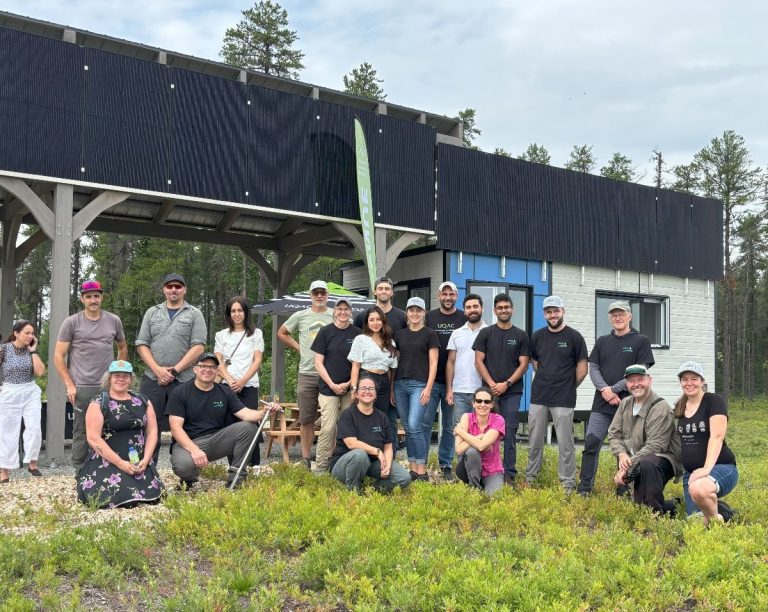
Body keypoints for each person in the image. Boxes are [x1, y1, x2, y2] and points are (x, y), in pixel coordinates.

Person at [578, 301, 654, 495]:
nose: (617, 318)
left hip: (629, 405)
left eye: (621, 314)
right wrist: (605, 389)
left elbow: (641, 371)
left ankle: (623, 489)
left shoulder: (641, 341)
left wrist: (614, 389)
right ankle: (584, 488)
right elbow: (593, 368)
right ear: (610, 318)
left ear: (629, 316)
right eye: (614, 315)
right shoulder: (602, 341)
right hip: (601, 405)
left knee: (625, 448)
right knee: (591, 445)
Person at [167, 353, 275, 489]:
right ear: (195, 369)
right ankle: (189, 479)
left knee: (249, 428)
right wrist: (194, 450)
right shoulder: (180, 392)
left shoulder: (225, 392)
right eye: (203, 366)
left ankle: (236, 478)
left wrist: (265, 412)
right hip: (188, 443)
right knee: (183, 467)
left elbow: (246, 414)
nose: (207, 370)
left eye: (212, 367)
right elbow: (176, 428)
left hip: (216, 440)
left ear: (218, 371)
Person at [54, 279, 128, 467]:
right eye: (89, 297)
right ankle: (80, 471)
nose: (93, 300)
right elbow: (58, 356)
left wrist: (117, 376)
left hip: (107, 386)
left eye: (96, 296)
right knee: (81, 431)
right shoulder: (72, 322)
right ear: (82, 299)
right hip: (82, 387)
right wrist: (70, 384)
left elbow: (122, 347)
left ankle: (109, 466)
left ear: (102, 297)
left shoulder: (113, 320)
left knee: (111, 427)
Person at [76, 360, 164, 508]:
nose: (121, 379)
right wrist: (120, 463)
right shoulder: (98, 403)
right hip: (108, 460)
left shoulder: (143, 401)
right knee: (115, 497)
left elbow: (152, 431)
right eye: (117, 375)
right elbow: (93, 438)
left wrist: (147, 459)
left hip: (139, 460)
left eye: (125, 376)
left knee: (152, 496)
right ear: (109, 378)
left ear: (131, 379)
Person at [525, 296, 588, 493]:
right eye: (549, 312)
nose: (553, 315)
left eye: (556, 311)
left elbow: (583, 368)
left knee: (565, 444)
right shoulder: (537, 336)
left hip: (563, 398)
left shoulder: (574, 337)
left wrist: (568, 385)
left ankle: (567, 483)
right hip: (539, 396)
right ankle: (531, 477)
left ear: (563, 311)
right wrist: (545, 377)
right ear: (544, 314)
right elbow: (535, 362)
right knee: (534, 440)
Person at [136, 273, 206, 432]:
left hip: (183, 380)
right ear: (164, 290)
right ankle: (148, 458)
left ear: (184, 289)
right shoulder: (151, 312)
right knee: (149, 426)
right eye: (169, 286)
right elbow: (142, 344)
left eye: (178, 286)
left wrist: (173, 371)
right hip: (153, 378)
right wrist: (158, 370)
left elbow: (198, 347)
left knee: (185, 427)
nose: (173, 290)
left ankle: (183, 457)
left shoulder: (195, 313)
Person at [472, 294, 530, 484]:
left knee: (510, 432)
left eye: (507, 307)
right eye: (500, 307)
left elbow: (523, 365)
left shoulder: (521, 335)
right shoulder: (486, 333)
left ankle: (509, 475)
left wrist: (507, 384)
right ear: (495, 311)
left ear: (512, 309)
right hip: (488, 395)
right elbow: (478, 361)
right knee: (485, 431)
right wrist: (491, 385)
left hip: (512, 392)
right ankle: (484, 472)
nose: (503, 310)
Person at [608, 365, 681, 513]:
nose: (636, 384)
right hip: (633, 460)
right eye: (631, 381)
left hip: (660, 460)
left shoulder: (661, 407)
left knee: (647, 464)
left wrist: (627, 467)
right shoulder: (625, 403)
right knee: (631, 507)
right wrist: (622, 454)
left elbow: (655, 445)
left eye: (640, 379)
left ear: (649, 380)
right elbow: (614, 433)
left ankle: (655, 514)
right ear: (626, 384)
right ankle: (677, 504)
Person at [277, 279, 333, 469]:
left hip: (330, 374)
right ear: (310, 295)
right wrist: (299, 347)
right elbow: (282, 333)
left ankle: (328, 457)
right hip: (307, 372)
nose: (319, 296)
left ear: (327, 295)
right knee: (306, 418)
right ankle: (306, 458)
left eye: (323, 293)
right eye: (316, 292)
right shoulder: (300, 315)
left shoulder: (336, 315)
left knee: (331, 419)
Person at [674, 361, 738, 525]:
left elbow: (717, 436)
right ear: (680, 382)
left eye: (694, 378)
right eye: (685, 379)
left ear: (702, 381)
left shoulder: (714, 401)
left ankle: (717, 521)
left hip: (721, 467)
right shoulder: (680, 406)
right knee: (695, 523)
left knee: (699, 489)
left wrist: (706, 469)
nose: (689, 383)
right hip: (691, 473)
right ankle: (721, 511)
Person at [330, 376, 411, 493]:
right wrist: (377, 451)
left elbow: (388, 446)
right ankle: (353, 492)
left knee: (404, 477)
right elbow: (351, 443)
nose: (367, 391)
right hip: (344, 466)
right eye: (363, 388)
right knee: (360, 454)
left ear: (375, 394)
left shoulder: (382, 417)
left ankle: (372, 490)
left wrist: (387, 465)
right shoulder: (348, 415)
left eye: (370, 388)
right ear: (356, 394)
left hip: (371, 464)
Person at [311, 297, 362, 472]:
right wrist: (332, 384)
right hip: (328, 389)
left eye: (346, 309)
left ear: (351, 312)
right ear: (334, 311)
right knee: (328, 427)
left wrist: (349, 384)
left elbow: (359, 363)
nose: (343, 312)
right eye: (339, 309)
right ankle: (321, 467)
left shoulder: (357, 333)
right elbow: (318, 362)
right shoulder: (325, 332)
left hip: (350, 388)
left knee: (348, 427)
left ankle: (343, 464)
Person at [214, 296, 265, 468]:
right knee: (230, 423)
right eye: (233, 311)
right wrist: (228, 379)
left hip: (248, 384)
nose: (236, 314)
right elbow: (217, 360)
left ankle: (255, 464)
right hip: (227, 385)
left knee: (251, 422)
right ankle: (234, 464)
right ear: (229, 314)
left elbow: (257, 360)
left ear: (246, 312)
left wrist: (243, 381)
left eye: (240, 310)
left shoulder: (256, 334)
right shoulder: (221, 335)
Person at [424, 281, 467, 480]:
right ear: (439, 296)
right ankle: (420, 463)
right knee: (425, 424)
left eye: (451, 294)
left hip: (456, 383)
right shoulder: (429, 317)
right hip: (430, 381)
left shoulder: (464, 318)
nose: (448, 297)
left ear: (456, 296)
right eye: (444, 294)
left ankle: (446, 464)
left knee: (450, 426)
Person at [393, 297, 439, 481]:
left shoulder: (430, 334)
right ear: (407, 313)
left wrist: (428, 388)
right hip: (399, 385)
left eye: (418, 310)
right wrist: (391, 389)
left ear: (424, 313)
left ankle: (422, 469)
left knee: (414, 425)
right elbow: (393, 363)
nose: (415, 314)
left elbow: (434, 363)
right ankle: (413, 468)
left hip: (419, 385)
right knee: (407, 427)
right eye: (411, 310)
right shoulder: (399, 335)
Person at [0, 320, 46, 483]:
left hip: (30, 391)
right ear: (16, 333)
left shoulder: (31, 350)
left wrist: (33, 351)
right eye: (27, 332)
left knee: (34, 428)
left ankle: (32, 464)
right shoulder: (4, 349)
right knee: (7, 432)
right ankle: (4, 471)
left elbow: (40, 372)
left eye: (32, 333)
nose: (31, 336)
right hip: (9, 392)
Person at [348, 306, 399, 447]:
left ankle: (381, 453)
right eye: (372, 320)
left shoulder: (390, 342)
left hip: (384, 382)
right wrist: (354, 389)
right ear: (367, 322)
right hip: (366, 378)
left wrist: (391, 390)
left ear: (383, 321)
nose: (375, 323)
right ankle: (363, 452)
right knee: (364, 417)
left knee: (381, 419)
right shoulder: (361, 339)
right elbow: (355, 366)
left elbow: (391, 369)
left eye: (378, 319)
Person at [453, 387, 505, 496]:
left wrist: (461, 432)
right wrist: (478, 437)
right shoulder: (466, 417)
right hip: (467, 469)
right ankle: (474, 490)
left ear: (491, 404)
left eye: (487, 401)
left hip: (492, 470)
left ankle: (483, 486)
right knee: (472, 451)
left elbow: (481, 446)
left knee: (493, 497)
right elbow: (458, 449)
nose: (482, 404)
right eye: (478, 401)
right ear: (473, 403)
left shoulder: (498, 419)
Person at [446, 293, 486, 429]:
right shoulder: (456, 333)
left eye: (475, 306)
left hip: (482, 391)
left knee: (481, 429)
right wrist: (449, 389)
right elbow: (451, 362)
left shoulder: (489, 331)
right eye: (468, 307)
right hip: (459, 391)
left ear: (482, 308)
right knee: (460, 430)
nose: (472, 309)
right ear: (465, 311)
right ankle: (461, 452)